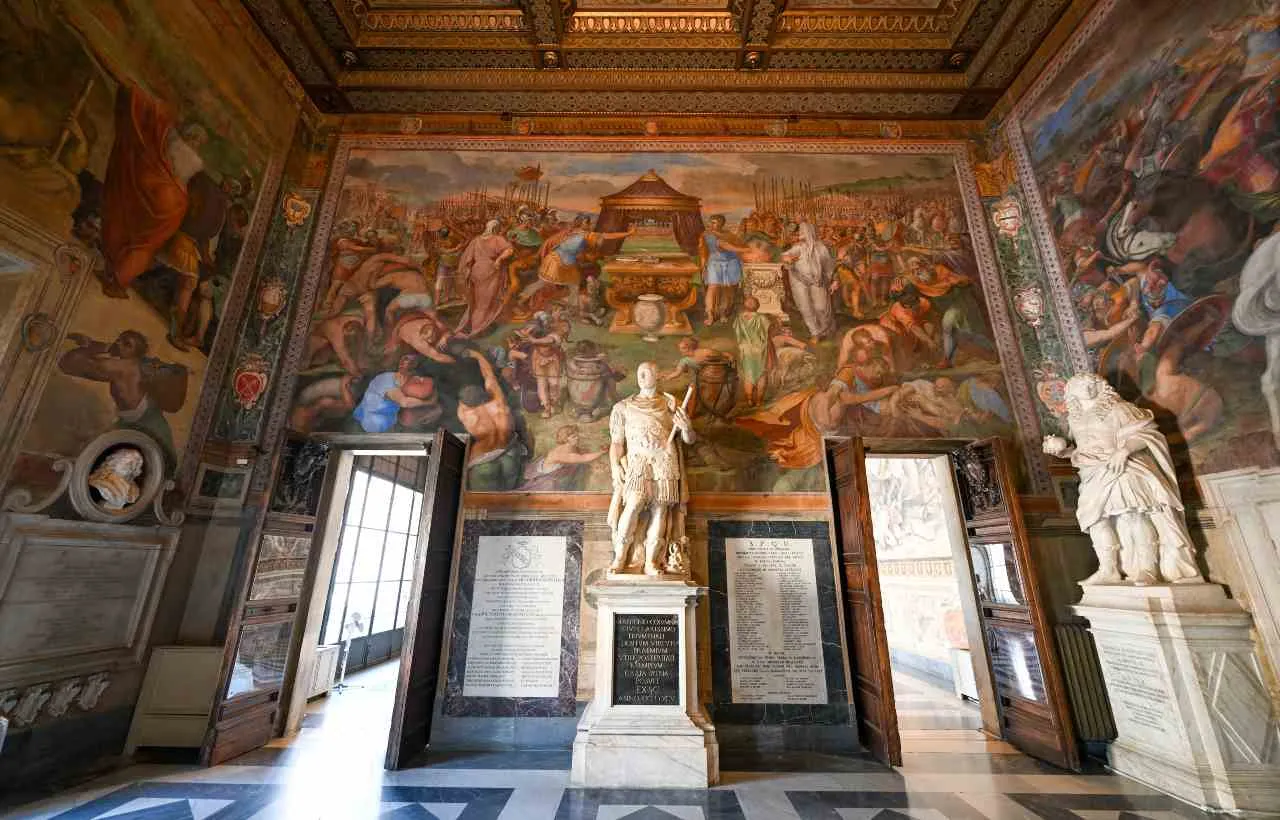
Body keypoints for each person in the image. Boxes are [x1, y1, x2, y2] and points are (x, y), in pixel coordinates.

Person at [1043, 374, 1202, 585]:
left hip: (1122, 468)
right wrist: (1061, 450)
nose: (1089, 387)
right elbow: (1080, 450)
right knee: (1096, 521)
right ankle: (1108, 569)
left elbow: (1148, 433)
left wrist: (1124, 450)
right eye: (1083, 384)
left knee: (1133, 516)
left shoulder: (1119, 409)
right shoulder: (1074, 418)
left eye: (1093, 383)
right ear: (1071, 390)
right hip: (1092, 473)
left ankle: (1148, 570)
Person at [607, 362, 694, 576]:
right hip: (638, 461)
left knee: (660, 509)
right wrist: (615, 465)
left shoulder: (671, 404)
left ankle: (651, 562)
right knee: (634, 503)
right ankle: (620, 558)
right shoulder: (623, 407)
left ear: (658, 376)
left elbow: (688, 440)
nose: (642, 376)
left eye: (647, 372)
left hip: (664, 460)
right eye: (640, 373)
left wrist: (687, 428)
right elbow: (617, 443)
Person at [58, 331, 188, 468]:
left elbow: (68, 364)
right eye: (119, 339)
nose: (119, 343)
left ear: (136, 352)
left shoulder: (121, 367)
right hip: (140, 420)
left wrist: (95, 347)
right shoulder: (138, 364)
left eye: (127, 344)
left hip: (146, 425)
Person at [526, 215, 633, 311]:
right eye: (587, 223)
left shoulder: (571, 232)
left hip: (560, 262)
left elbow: (551, 242)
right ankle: (529, 300)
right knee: (551, 284)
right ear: (581, 223)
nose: (589, 225)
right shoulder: (583, 234)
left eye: (589, 222)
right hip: (558, 262)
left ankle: (572, 306)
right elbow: (607, 236)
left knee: (572, 284)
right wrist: (628, 233)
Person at [458, 350, 526, 491]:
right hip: (509, 451)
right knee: (509, 493)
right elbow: (488, 374)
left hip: (483, 462)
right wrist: (477, 355)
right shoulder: (497, 400)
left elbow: (464, 403)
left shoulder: (466, 414)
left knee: (486, 503)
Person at [454, 219, 516, 338]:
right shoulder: (497, 239)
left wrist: (467, 273)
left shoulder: (476, 240)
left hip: (476, 271)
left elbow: (467, 259)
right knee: (485, 303)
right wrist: (499, 259)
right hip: (491, 271)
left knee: (477, 302)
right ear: (495, 229)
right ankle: (476, 330)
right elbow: (510, 250)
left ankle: (475, 326)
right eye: (497, 228)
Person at [352, 356, 438, 434]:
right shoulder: (387, 381)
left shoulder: (403, 387)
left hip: (385, 427)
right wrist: (428, 402)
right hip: (370, 428)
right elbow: (404, 402)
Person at [781, 222, 837, 341]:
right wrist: (787, 258)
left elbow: (829, 266)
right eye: (800, 233)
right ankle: (814, 332)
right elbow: (787, 256)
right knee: (805, 307)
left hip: (817, 280)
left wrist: (834, 280)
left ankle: (824, 328)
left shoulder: (821, 248)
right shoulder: (798, 247)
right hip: (799, 280)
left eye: (804, 233)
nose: (801, 235)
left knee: (821, 307)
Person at [521, 425, 607, 490]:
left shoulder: (571, 446)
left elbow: (582, 452)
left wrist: (597, 463)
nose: (577, 438)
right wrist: (602, 452)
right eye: (574, 437)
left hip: (555, 468)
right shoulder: (561, 453)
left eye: (577, 435)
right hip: (546, 474)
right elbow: (583, 458)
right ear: (566, 439)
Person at [700, 215, 750, 325]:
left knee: (727, 290)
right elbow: (722, 247)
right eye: (710, 222)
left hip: (730, 264)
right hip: (714, 264)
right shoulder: (707, 235)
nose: (711, 225)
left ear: (721, 224)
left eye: (714, 222)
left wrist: (746, 249)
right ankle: (710, 315)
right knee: (712, 288)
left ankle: (723, 313)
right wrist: (703, 267)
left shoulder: (728, 235)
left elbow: (736, 245)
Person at [734, 296, 774, 406]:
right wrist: (771, 354)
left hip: (746, 350)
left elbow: (738, 336)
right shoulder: (762, 318)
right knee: (762, 374)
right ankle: (759, 401)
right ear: (757, 306)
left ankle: (749, 399)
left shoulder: (739, 318)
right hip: (760, 349)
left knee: (749, 375)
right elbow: (767, 337)